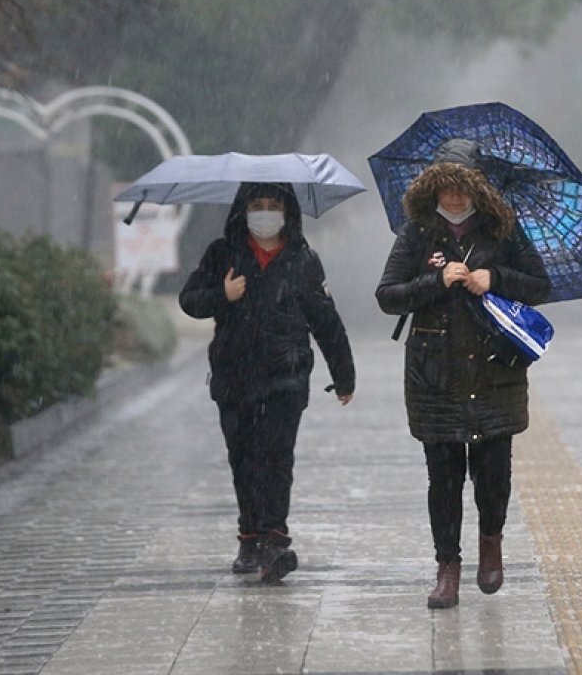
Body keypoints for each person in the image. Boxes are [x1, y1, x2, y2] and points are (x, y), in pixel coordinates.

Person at [375, 142, 551, 608]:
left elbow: (540, 286)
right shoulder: (417, 235)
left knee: (494, 474)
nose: (453, 197)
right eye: (445, 188)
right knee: (444, 477)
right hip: (435, 376)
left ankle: (490, 542)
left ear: (479, 190)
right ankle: (446, 567)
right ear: (433, 188)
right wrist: (438, 280)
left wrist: (495, 278)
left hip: (496, 373)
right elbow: (388, 295)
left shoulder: (503, 232)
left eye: (462, 188)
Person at [179, 182, 355, 584]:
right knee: (243, 459)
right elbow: (190, 300)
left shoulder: (303, 260)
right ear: (243, 210)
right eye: (256, 205)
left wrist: (343, 375)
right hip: (234, 378)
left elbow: (326, 321)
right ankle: (249, 537)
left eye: (273, 206)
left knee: (276, 457)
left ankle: (275, 538)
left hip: (286, 378)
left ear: (287, 212)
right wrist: (222, 294)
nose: (264, 214)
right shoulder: (222, 253)